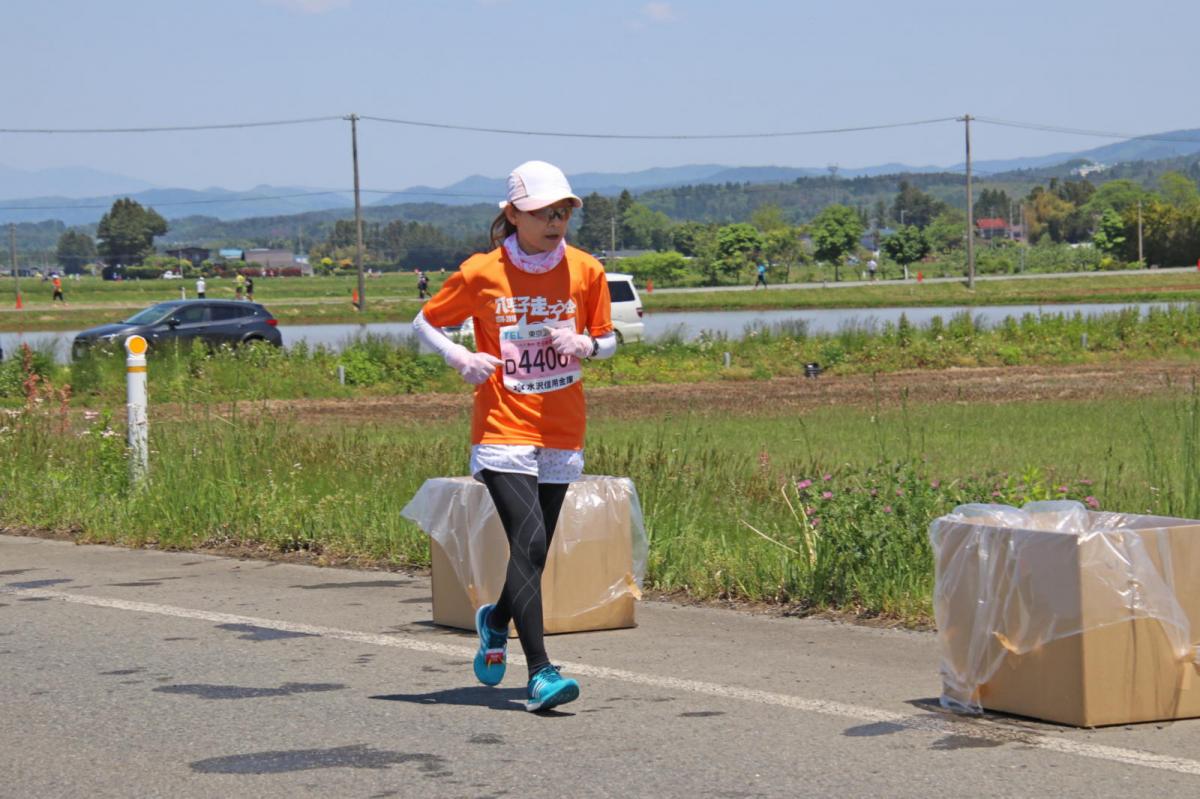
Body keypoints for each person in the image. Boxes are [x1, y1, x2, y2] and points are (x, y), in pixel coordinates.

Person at [412, 160, 617, 713]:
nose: (554, 222)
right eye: (542, 213)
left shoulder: (585, 271)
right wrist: (459, 355)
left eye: (562, 211)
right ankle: (542, 673)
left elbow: (609, 336)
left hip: (562, 425)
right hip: (503, 424)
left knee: (536, 549)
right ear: (512, 215)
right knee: (527, 541)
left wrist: (588, 346)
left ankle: (496, 619)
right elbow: (425, 321)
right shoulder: (483, 272)